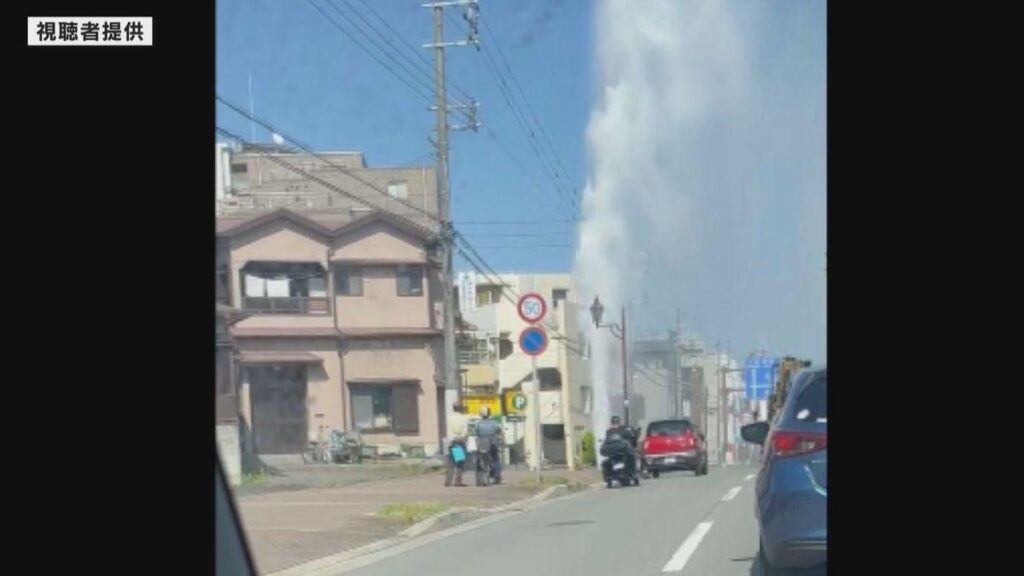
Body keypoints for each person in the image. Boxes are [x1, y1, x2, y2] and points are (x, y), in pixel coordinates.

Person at [474, 405, 502, 485]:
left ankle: (478, 478)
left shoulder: (478, 423)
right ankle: (497, 476)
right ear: (489, 414)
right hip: (492, 443)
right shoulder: (494, 423)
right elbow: (499, 432)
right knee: (495, 458)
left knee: (478, 460)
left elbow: (476, 433)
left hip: (481, 444)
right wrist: (499, 439)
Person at [445, 403, 471, 487]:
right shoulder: (463, 418)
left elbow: (448, 429)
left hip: (452, 442)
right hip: (460, 442)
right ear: (460, 408)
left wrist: (452, 437)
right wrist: (461, 437)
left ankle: (448, 480)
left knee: (451, 462)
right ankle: (458, 480)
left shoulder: (449, 418)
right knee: (459, 463)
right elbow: (465, 431)